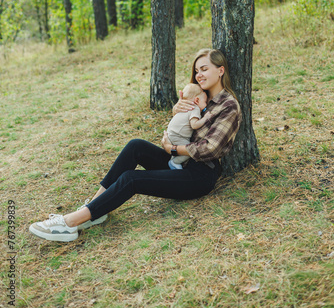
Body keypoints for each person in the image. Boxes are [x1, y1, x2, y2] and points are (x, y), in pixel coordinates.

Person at [29, 48, 242, 243]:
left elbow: (211, 148)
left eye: (204, 69)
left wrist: (172, 149)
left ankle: (69, 223)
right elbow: (182, 127)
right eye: (197, 70)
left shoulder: (228, 106)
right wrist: (177, 113)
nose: (199, 75)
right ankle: (94, 209)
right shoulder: (197, 96)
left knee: (131, 179)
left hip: (198, 175)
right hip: (179, 163)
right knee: (135, 146)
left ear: (220, 70)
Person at [167, 83, 209, 170]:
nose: (206, 105)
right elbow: (194, 125)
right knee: (189, 151)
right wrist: (205, 118)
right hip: (178, 136)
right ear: (197, 100)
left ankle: (173, 160)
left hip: (171, 134)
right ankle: (175, 162)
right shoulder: (195, 108)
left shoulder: (185, 107)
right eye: (205, 102)